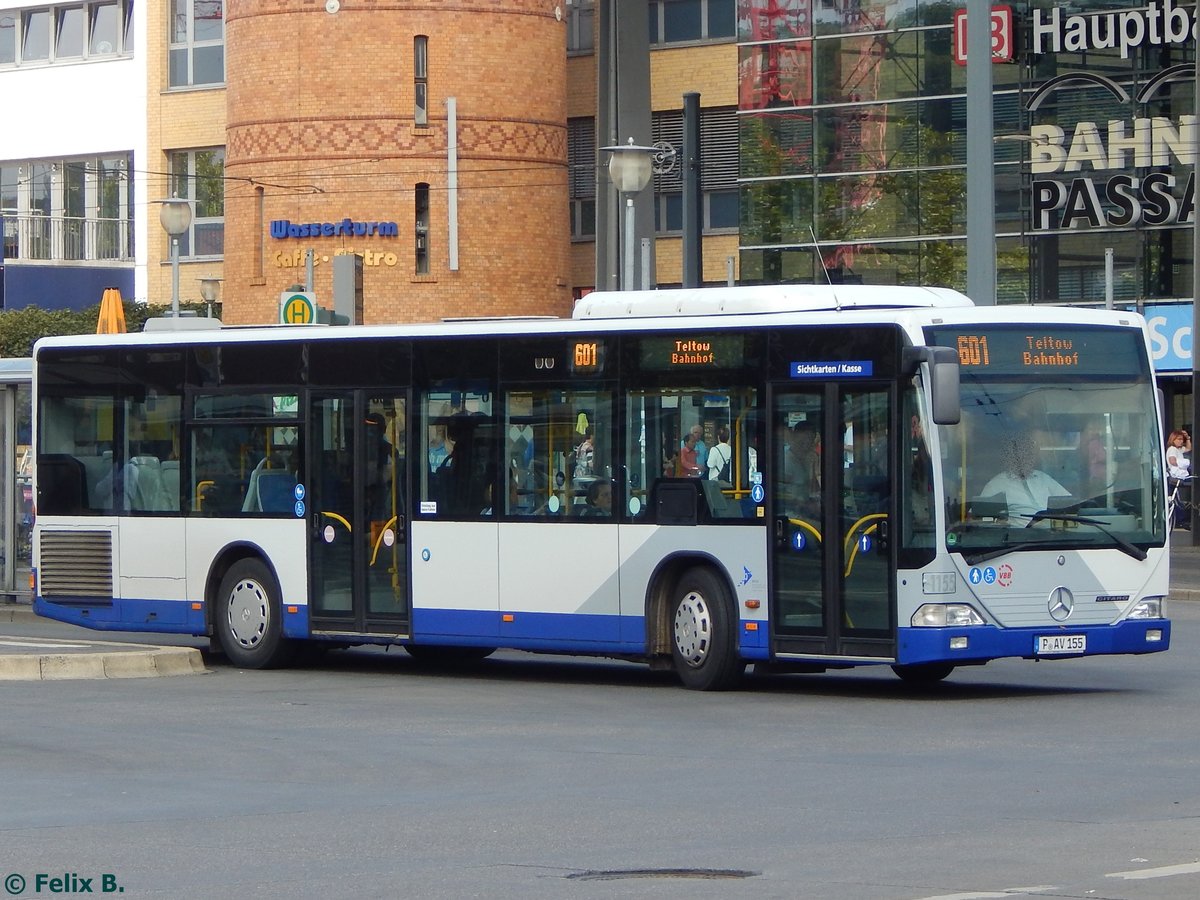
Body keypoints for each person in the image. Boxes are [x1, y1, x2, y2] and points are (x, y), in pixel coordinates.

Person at [979, 432, 1070, 523]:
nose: (1025, 457)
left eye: (1029, 453)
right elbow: (980, 517)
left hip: (1053, 533)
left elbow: (1069, 503)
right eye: (1020, 454)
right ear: (1011, 456)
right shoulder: (996, 484)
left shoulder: (1043, 478)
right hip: (1019, 535)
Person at [1167, 428, 1191, 529]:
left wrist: (1188, 438)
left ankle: (1180, 519)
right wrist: (1185, 464)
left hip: (1179, 476)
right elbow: (1172, 461)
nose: (1181, 441)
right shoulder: (1172, 449)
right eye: (1178, 439)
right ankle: (1180, 520)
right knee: (1176, 500)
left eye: (1182, 439)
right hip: (1175, 477)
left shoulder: (1178, 449)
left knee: (1176, 499)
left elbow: (1189, 449)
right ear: (1173, 439)